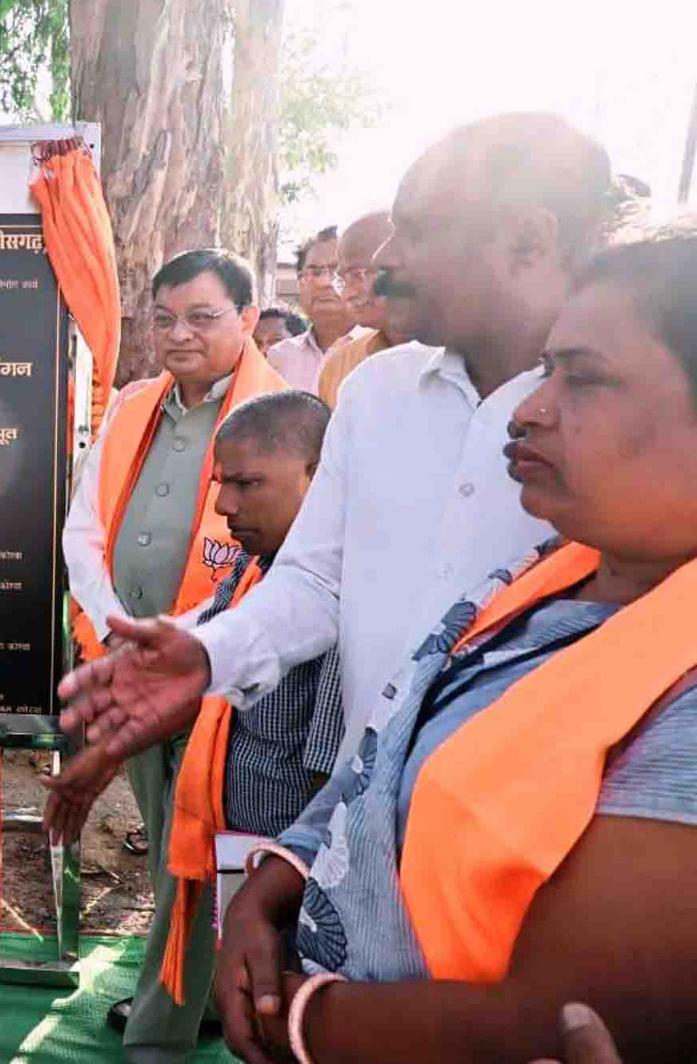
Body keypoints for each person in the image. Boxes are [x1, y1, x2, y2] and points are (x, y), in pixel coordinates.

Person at [213, 230, 697, 1064]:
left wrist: (297, 1021)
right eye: (545, 370)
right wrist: (270, 888)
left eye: (583, 379)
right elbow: (384, 754)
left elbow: (574, 1019)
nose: (530, 408)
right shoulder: (543, 574)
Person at [51, 113, 622, 788]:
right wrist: (208, 651)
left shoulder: (631, 424)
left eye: (416, 230)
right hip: (364, 806)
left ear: (529, 240)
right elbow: (317, 579)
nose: (383, 262)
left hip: (546, 831)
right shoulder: (378, 391)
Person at [49, 389, 343, 1047]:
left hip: (294, 880)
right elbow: (204, 650)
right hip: (240, 852)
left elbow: (331, 788)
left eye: (247, 483)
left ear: (321, 480)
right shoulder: (252, 565)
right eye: (219, 482)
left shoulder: (344, 606)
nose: (223, 506)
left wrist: (270, 896)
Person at [62, 248, 287, 1061]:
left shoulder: (283, 414)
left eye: (202, 316)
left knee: (195, 851)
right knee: (168, 842)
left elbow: (282, 563)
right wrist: (116, 629)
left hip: (223, 668)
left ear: (248, 320)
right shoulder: (132, 406)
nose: (179, 334)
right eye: (164, 317)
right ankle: (191, 1002)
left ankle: (162, 1030)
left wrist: (189, 645)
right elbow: (84, 527)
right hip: (129, 661)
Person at [316, 211, 402, 407]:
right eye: (343, 280)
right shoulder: (339, 366)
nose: (347, 294)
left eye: (357, 275)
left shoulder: (461, 357)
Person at [267, 227, 354, 392]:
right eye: (314, 272)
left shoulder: (380, 349)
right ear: (300, 281)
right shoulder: (279, 357)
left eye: (336, 271)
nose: (324, 282)